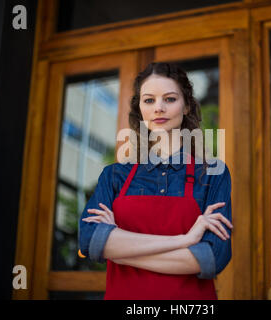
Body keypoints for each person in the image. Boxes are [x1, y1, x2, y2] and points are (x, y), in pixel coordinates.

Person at [78, 62, 233, 300]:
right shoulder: (114, 176)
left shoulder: (213, 174)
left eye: (170, 99)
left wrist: (117, 247)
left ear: (187, 106)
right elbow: (90, 241)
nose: (158, 108)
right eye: (149, 100)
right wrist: (185, 240)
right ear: (140, 109)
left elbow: (211, 258)